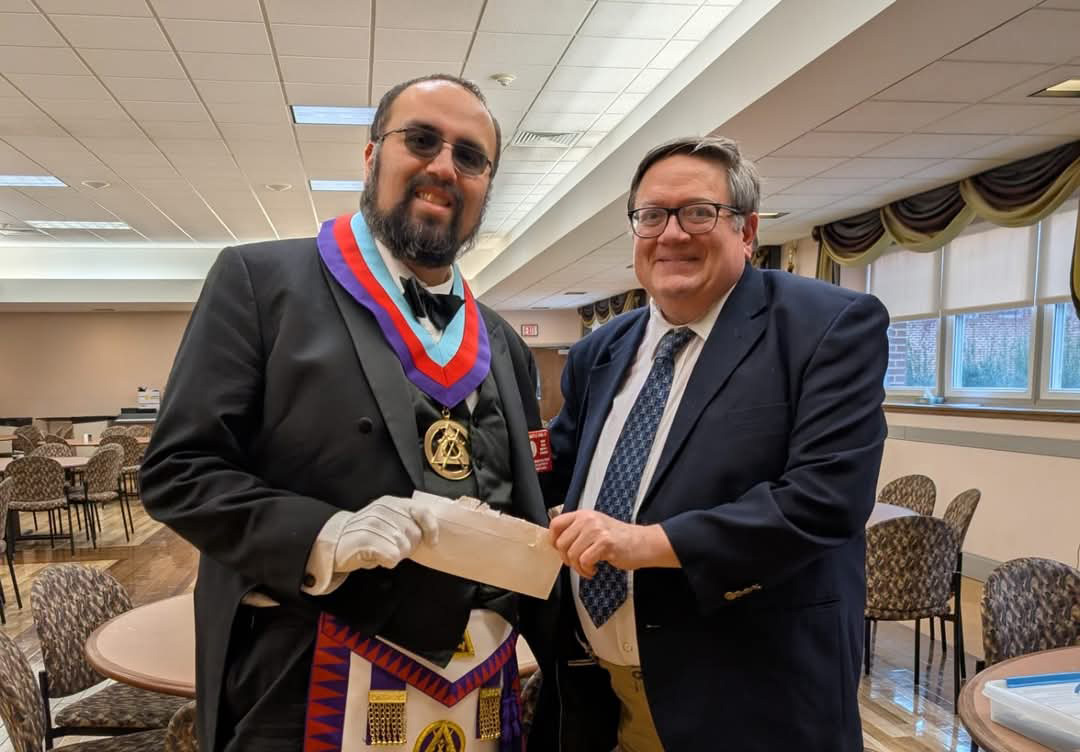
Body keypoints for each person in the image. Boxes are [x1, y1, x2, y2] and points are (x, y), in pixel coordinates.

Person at [140, 74, 556, 752]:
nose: (443, 166)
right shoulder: (260, 283)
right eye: (421, 140)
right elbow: (177, 471)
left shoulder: (501, 341)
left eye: (470, 156)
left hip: (480, 681)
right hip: (307, 673)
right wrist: (324, 534)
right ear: (371, 156)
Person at [540, 136, 889, 751]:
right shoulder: (601, 350)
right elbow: (556, 472)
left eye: (698, 213)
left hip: (748, 699)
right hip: (602, 694)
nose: (672, 234)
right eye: (652, 215)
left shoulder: (827, 326)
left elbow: (824, 500)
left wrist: (645, 542)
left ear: (746, 230)